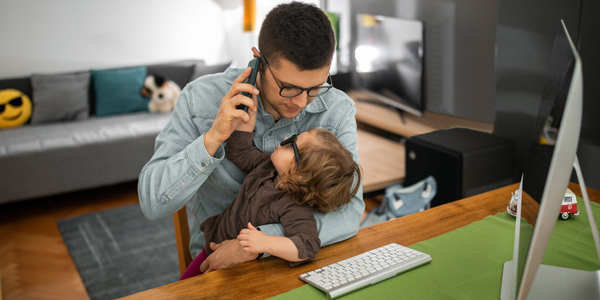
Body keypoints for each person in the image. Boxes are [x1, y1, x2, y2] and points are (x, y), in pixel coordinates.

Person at [138, 1, 364, 274]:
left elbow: (351, 213)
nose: (303, 102)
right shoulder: (200, 100)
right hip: (218, 263)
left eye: (316, 87)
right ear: (259, 58)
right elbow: (152, 203)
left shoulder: (337, 110)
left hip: (300, 263)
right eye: (289, 87)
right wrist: (212, 139)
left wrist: (257, 243)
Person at [179, 103, 361, 279]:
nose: (284, 139)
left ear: (302, 174)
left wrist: (266, 242)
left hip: (248, 271)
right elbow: (240, 153)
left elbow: (307, 246)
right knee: (185, 289)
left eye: (292, 143)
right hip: (212, 247)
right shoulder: (268, 165)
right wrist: (247, 119)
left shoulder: (294, 207)